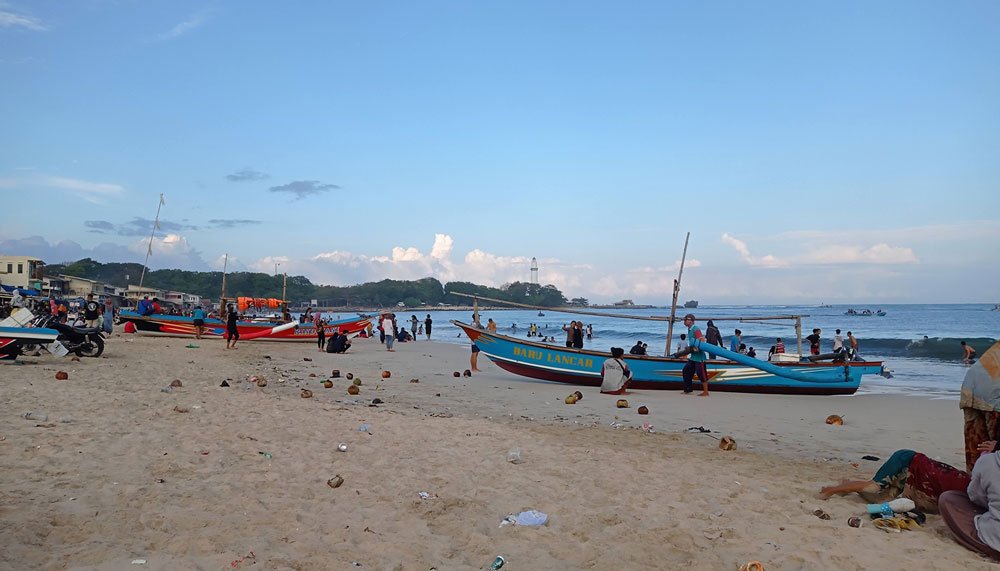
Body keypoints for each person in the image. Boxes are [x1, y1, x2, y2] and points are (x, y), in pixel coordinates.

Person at [819, 447, 975, 513]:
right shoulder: (969, 490)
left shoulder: (971, 487)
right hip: (906, 460)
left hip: (911, 473)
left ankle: (848, 485)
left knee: (879, 500)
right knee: (874, 488)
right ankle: (829, 490)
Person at [939, 440, 1000, 559]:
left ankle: (984, 547)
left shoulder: (988, 461)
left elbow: (975, 496)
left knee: (948, 499)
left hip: (995, 540)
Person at [674, 314, 708, 396]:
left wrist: (692, 349)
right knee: (686, 370)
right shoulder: (689, 329)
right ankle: (688, 389)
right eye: (684, 319)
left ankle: (706, 392)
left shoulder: (695, 329)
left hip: (700, 357)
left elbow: (701, 340)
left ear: (691, 321)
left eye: (687, 319)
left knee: (701, 374)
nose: (685, 321)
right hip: (693, 357)